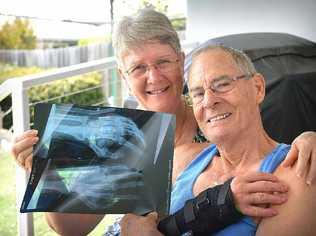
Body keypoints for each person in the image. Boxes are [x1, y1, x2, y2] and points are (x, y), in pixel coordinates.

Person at [11, 9, 316, 235]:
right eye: (138, 68)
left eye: (163, 62)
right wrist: (44, 174)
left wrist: (309, 138)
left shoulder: (215, 124)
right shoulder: (125, 135)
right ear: (123, 77)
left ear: (181, 61)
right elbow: (71, 228)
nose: (154, 77)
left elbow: (271, 147)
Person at [120, 45, 316, 235]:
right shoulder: (182, 158)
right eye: (197, 93)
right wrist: (131, 223)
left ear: (258, 88)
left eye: (222, 84)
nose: (208, 101)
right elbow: (134, 219)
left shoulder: (297, 173)